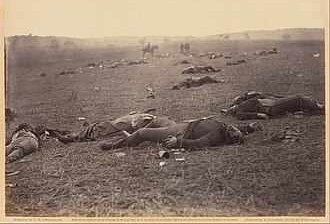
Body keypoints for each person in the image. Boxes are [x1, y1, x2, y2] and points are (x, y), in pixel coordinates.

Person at [100, 118, 262, 151]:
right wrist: (249, 127)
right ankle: (133, 136)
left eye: (233, 133)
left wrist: (178, 142)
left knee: (142, 132)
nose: (233, 129)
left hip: (180, 132)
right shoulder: (226, 128)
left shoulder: (216, 136)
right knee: (158, 120)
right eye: (235, 129)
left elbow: (199, 143)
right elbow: (238, 128)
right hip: (183, 124)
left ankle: (116, 146)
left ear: (228, 139)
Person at [57, 111, 176, 144]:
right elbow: (151, 125)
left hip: (129, 122)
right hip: (129, 121)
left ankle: (74, 138)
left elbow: (146, 129)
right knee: (101, 127)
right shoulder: (167, 124)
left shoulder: (166, 125)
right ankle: (74, 137)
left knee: (101, 127)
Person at [226, 94, 325, 120]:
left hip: (272, 104)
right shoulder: (238, 111)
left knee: (294, 103)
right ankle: (320, 107)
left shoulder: (240, 105)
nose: (233, 106)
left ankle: (316, 110)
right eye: (230, 108)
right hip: (271, 107)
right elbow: (241, 116)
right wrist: (259, 115)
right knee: (297, 98)